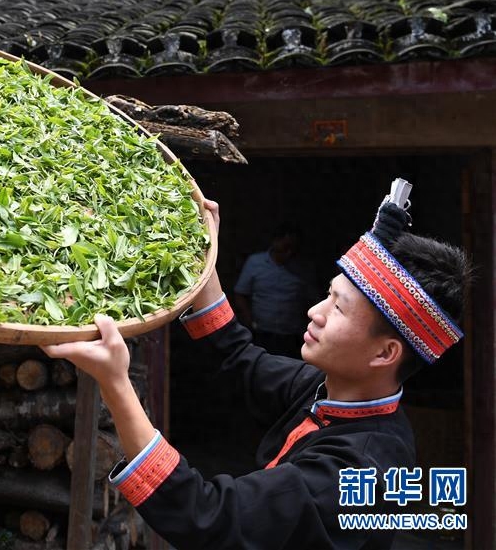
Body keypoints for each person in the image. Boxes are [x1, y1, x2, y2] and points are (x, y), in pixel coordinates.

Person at [41, 183, 470, 550]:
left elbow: (209, 516)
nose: (315, 312)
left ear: (384, 354)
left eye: (338, 309)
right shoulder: (327, 389)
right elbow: (240, 360)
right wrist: (204, 258)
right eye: (328, 294)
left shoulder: (357, 470)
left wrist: (116, 383)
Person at [234, 222, 318, 358]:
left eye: (293, 249)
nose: (288, 253)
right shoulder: (255, 262)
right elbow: (240, 293)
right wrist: (249, 322)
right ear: (275, 241)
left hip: (292, 336)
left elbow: (313, 299)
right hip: (261, 333)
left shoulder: (303, 268)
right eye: (285, 247)